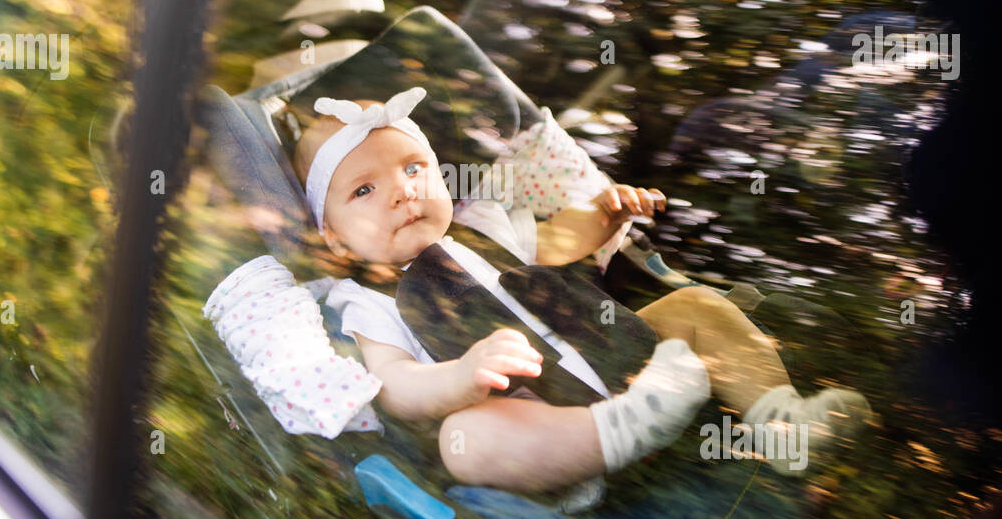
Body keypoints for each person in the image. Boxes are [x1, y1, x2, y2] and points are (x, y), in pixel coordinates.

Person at [295, 87, 872, 494]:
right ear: (335, 238)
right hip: (539, 413)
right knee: (465, 438)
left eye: (414, 168)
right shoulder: (364, 299)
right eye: (364, 190)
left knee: (697, 305)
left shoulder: (485, 222)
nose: (401, 192)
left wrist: (603, 211)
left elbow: (555, 243)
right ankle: (621, 431)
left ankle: (784, 423)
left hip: (622, 351)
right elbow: (394, 386)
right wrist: (461, 375)